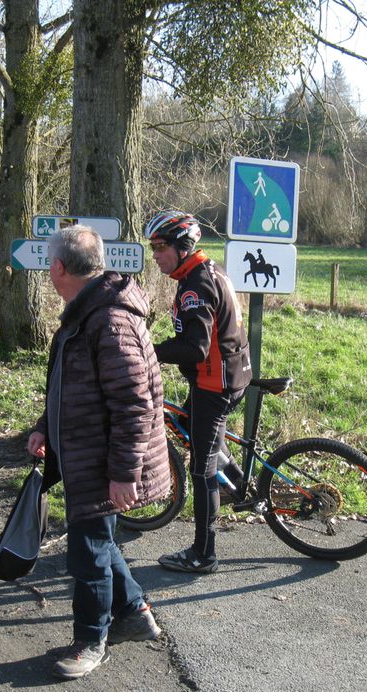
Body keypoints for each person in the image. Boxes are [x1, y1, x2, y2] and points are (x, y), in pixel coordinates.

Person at [26, 225, 171, 680]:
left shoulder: (109, 320)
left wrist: (124, 473)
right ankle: (134, 613)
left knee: (87, 552)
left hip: (104, 460)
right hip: (88, 451)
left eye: (49, 266)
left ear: (58, 267)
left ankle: (91, 640)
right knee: (100, 541)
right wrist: (45, 425)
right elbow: (73, 385)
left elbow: (134, 403)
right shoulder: (88, 311)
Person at [144, 210, 252, 574]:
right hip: (227, 376)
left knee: (201, 470)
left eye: (160, 247)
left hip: (215, 385)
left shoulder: (195, 285)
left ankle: (203, 555)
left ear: (182, 246)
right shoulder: (209, 271)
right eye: (153, 247)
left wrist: (150, 352)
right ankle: (239, 485)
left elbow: (195, 348)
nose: (155, 254)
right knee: (191, 428)